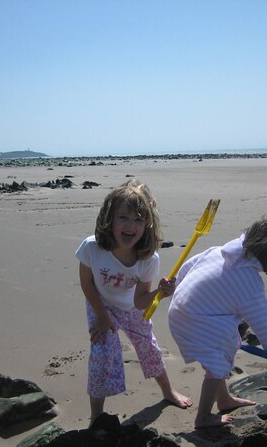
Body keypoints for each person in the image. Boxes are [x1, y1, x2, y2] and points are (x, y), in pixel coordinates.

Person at [168, 215, 267, 429]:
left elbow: (187, 269)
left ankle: (224, 399)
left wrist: (181, 296)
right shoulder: (249, 283)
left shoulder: (218, 251)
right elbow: (264, 324)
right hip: (197, 320)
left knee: (216, 357)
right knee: (218, 362)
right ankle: (203, 417)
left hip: (180, 309)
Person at [75, 180, 192, 426]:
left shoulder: (148, 259)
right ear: (109, 219)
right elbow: (86, 283)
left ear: (147, 224)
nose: (131, 226)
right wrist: (102, 317)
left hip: (130, 307)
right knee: (101, 354)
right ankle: (96, 414)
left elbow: (141, 301)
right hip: (100, 304)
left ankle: (168, 391)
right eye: (123, 218)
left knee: (149, 347)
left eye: (139, 220)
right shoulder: (91, 248)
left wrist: (160, 292)